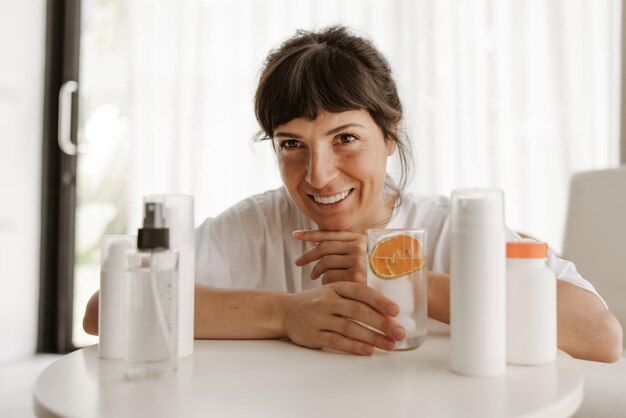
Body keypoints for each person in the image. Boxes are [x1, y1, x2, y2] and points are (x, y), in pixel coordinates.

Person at [84, 26, 623, 361]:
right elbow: (104, 311)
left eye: (345, 138)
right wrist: (287, 314)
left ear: (389, 136)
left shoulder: (446, 226)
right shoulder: (255, 226)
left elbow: (601, 336)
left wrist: (406, 280)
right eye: (292, 143)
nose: (318, 174)